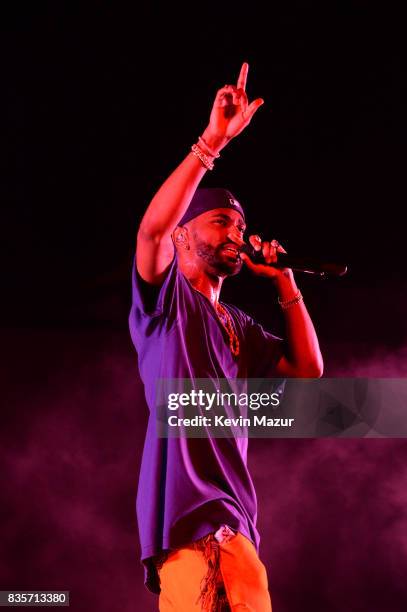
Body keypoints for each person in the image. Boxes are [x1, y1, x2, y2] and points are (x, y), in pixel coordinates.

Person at [129, 62, 323, 611]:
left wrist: (285, 281)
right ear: (186, 236)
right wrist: (212, 142)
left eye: (239, 225)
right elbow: (151, 231)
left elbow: (308, 373)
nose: (236, 232)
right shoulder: (166, 302)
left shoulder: (238, 326)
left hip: (240, 532)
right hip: (185, 532)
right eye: (221, 221)